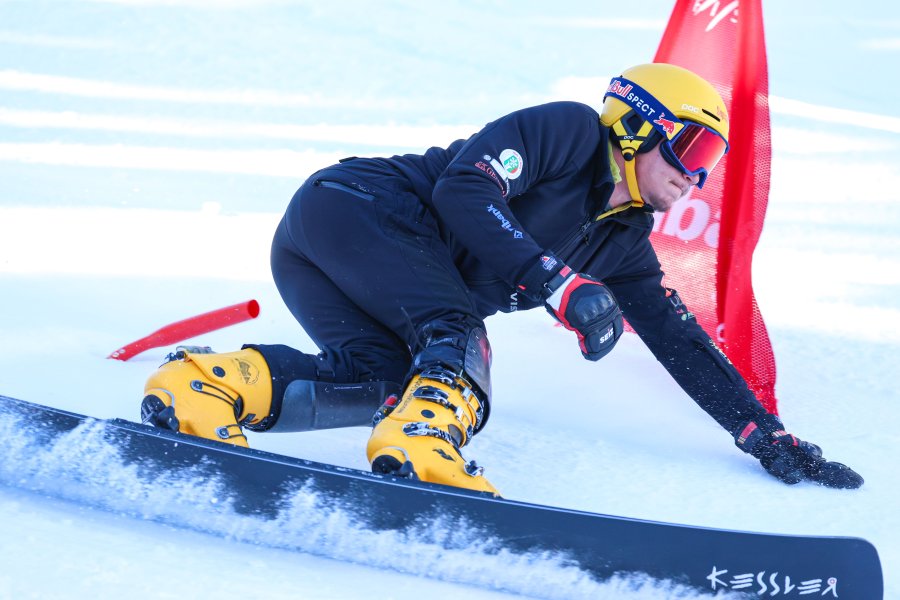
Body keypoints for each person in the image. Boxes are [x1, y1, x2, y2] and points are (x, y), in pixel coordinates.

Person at [140, 63, 863, 495]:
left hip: (337, 261)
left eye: (709, 162)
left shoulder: (622, 242)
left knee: (386, 378)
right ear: (641, 126)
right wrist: (556, 283)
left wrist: (762, 432)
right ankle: (423, 447)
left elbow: (677, 337)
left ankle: (204, 389)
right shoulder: (570, 132)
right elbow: (463, 190)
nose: (695, 175)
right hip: (354, 210)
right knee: (458, 338)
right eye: (693, 146)